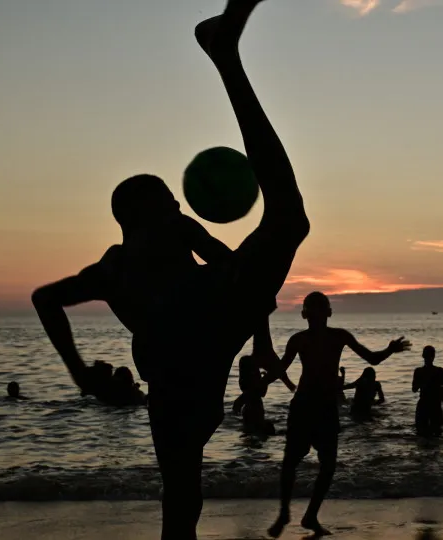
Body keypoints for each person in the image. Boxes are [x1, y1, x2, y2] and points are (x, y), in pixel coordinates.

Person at [30, 2, 311, 537]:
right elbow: (45, 299)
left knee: (289, 218)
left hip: (211, 317)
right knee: (182, 497)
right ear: (140, 220)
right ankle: (224, 54)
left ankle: (226, 58)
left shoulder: (169, 242)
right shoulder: (114, 269)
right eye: (168, 206)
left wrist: (261, 338)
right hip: (178, 373)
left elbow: (240, 276)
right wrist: (79, 372)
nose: (179, 211)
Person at [264, 292, 410, 537]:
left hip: (322, 407)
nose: (316, 315)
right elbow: (280, 369)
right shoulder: (301, 339)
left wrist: (389, 350)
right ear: (306, 314)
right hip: (306, 405)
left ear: (326, 313)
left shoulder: (335, 336)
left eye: (319, 310)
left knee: (322, 465)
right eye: (313, 310)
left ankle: (305, 515)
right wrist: (257, 387)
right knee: (296, 462)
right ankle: (288, 513)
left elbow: (372, 359)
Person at [412, 346, 443, 436]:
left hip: (431, 404)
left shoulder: (421, 371)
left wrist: (440, 393)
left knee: (424, 432)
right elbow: (414, 389)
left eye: (428, 356)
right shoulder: (436, 371)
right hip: (430, 404)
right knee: (435, 432)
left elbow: (414, 389)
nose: (428, 358)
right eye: (427, 356)